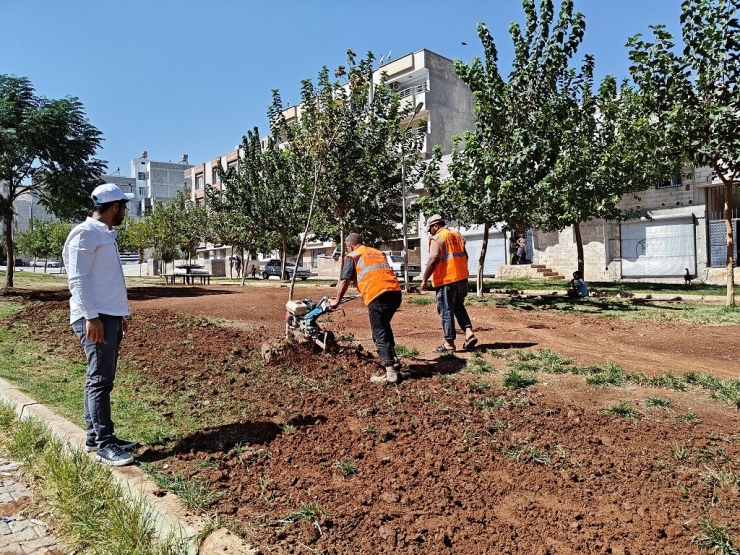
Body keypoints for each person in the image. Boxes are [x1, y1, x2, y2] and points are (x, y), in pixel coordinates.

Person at [62, 183, 136, 466]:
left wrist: (121, 314)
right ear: (114, 207)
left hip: (108, 315)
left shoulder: (102, 234)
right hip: (95, 317)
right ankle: (105, 444)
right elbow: (77, 279)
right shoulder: (85, 234)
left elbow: (107, 281)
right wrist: (91, 316)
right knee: (100, 380)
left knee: (100, 379)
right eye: (124, 207)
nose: (125, 212)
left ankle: (96, 438)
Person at [330, 233, 403, 384]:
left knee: (379, 332)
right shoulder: (376, 252)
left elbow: (344, 281)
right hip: (395, 293)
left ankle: (390, 372)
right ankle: (394, 360)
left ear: (350, 246)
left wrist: (336, 301)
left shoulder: (353, 256)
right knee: (384, 326)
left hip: (378, 295)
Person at [420, 215, 478, 353]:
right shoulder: (457, 236)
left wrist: (424, 279)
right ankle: (469, 333)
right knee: (459, 307)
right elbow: (465, 256)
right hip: (462, 279)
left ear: (435, 226)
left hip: (447, 280)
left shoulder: (438, 238)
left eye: (430, 230)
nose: (431, 233)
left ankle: (449, 344)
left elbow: (433, 259)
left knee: (446, 310)